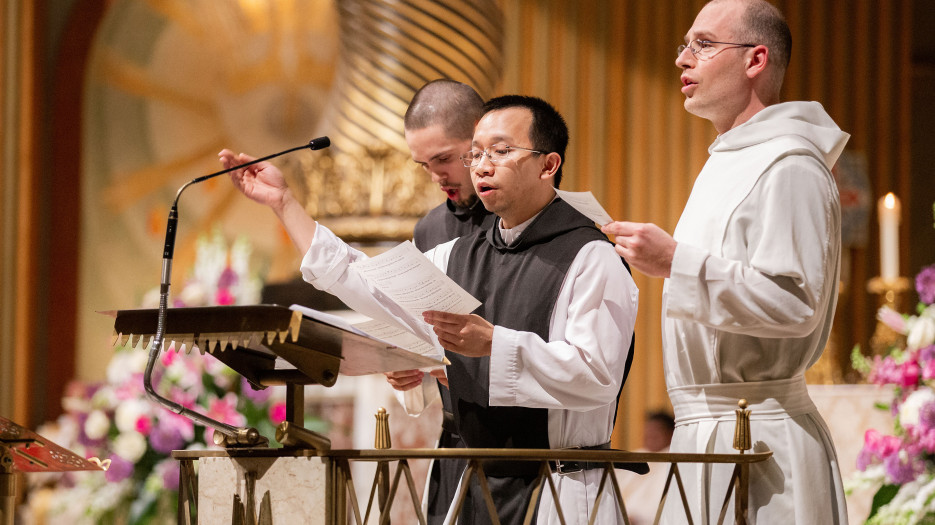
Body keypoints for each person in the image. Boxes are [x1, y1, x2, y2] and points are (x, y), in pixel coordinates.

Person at [221, 95, 638, 524]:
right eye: (475, 154)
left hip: (559, 488)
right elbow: (368, 282)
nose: (482, 166)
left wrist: (493, 344)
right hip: (475, 484)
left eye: (501, 151)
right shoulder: (456, 254)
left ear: (548, 165)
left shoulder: (591, 255)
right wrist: (284, 203)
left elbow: (599, 374)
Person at [601, 0, 849, 523]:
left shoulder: (791, 163)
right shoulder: (731, 158)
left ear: (755, 60)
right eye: (684, 45)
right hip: (705, 430)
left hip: (759, 433)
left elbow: (796, 303)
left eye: (703, 44)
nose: (682, 59)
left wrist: (675, 262)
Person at [391, 79, 495, 524]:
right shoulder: (430, 230)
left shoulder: (533, 216)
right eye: (423, 165)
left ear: (483, 136)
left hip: (522, 445)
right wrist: (404, 359)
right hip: (453, 442)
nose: (436, 178)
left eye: (444, 159)